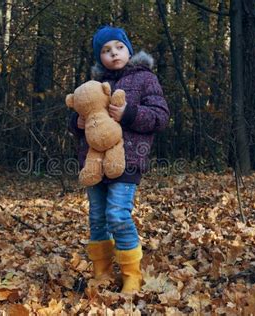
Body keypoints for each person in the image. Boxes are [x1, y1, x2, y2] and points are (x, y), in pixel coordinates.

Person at [68, 25, 169, 294]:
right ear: (99, 56)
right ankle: (101, 271)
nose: (114, 54)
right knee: (98, 218)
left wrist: (129, 113)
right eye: (106, 50)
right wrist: (77, 123)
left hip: (129, 159)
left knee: (117, 214)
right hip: (93, 163)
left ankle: (131, 274)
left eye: (119, 47)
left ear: (129, 49)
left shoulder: (145, 78)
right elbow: (80, 118)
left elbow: (160, 116)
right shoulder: (91, 86)